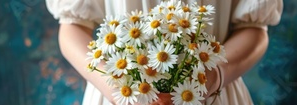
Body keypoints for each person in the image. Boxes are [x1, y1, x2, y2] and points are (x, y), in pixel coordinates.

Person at [46, 0, 282, 104]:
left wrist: (210, 78)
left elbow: (254, 28)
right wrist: (119, 92)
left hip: (213, 94)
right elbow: (72, 26)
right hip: (120, 95)